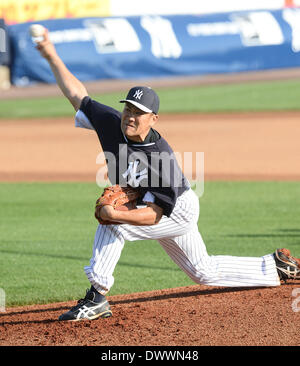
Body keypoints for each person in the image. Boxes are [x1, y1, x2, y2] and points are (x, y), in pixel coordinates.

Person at [35, 28, 300, 321]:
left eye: (139, 112)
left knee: (114, 225)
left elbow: (154, 215)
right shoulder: (113, 123)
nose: (130, 116)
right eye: (128, 109)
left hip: (176, 210)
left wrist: (116, 215)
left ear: (153, 118)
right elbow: (78, 96)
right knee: (203, 271)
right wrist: (51, 56)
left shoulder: (161, 159)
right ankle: (272, 266)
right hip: (157, 205)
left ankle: (97, 296)